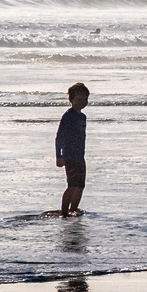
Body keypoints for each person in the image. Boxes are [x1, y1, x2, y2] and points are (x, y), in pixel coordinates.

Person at [55, 82, 89, 216]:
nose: (82, 102)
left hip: (80, 155)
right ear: (71, 100)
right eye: (79, 99)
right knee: (72, 185)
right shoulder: (68, 116)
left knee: (80, 185)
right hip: (69, 156)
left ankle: (74, 209)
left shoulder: (82, 117)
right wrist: (59, 156)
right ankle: (64, 212)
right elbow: (59, 137)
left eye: (85, 99)